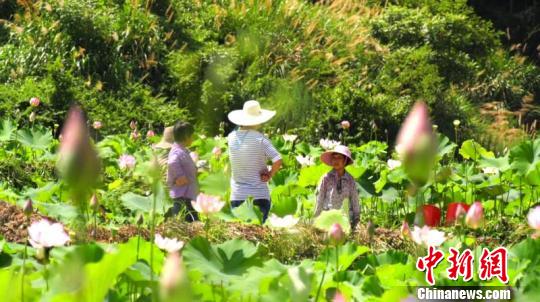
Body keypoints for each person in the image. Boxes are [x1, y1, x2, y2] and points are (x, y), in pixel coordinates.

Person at [227, 100, 282, 223]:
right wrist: (269, 174)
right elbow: (278, 160)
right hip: (259, 194)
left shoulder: (231, 138)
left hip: (237, 195)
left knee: (241, 235)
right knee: (259, 236)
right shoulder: (260, 139)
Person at [314, 145, 360, 230]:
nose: (336, 160)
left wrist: (357, 220)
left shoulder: (350, 180)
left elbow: (355, 201)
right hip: (328, 218)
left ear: (345, 160)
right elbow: (319, 199)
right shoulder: (326, 178)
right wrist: (316, 219)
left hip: (345, 220)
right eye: (334, 158)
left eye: (339, 158)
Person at [166, 121, 199, 221]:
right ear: (186, 136)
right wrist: (180, 176)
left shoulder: (182, 149)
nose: (193, 138)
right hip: (182, 197)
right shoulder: (177, 151)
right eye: (191, 135)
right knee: (185, 228)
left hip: (187, 195)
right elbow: (172, 162)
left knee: (192, 229)